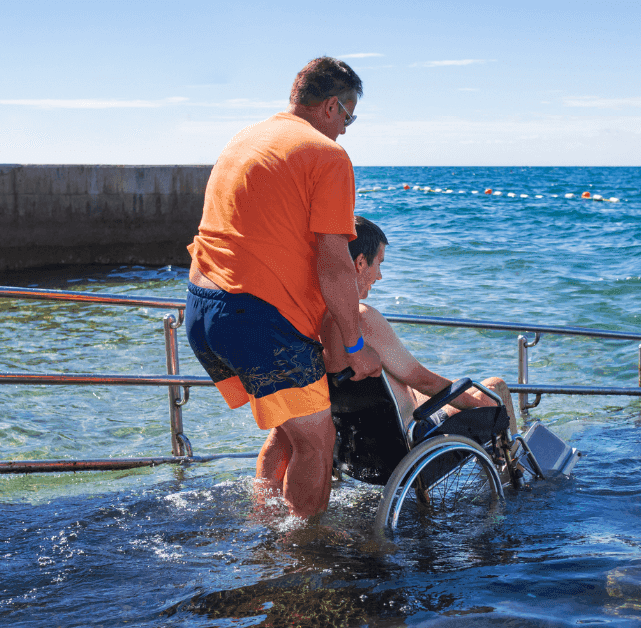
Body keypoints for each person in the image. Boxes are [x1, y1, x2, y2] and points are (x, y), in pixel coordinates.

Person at [184, 57, 382, 521]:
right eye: (349, 116)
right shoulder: (326, 155)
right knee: (317, 440)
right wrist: (354, 345)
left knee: (290, 429)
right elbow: (335, 264)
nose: (347, 129)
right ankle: (303, 559)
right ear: (331, 106)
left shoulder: (246, 138)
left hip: (202, 308)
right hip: (258, 319)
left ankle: (266, 526)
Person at [322, 216, 520, 435]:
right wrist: (486, 410)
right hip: (414, 435)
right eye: (379, 264)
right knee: (495, 388)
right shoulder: (362, 319)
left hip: (365, 438)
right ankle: (514, 466)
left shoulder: (319, 322)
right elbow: (424, 381)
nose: (379, 276)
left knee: (457, 387)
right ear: (360, 263)